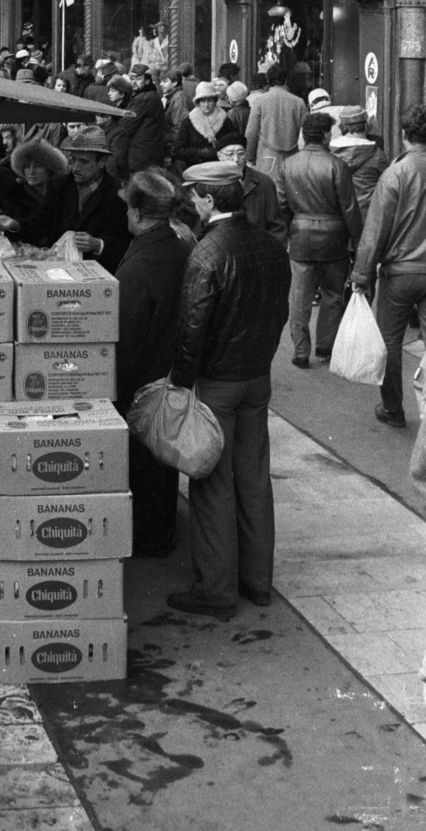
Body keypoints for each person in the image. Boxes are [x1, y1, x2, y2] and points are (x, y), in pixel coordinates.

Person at [166, 161, 292, 620]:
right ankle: (258, 582)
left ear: (207, 199)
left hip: (218, 382)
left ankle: (216, 590)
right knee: (254, 478)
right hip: (257, 377)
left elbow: (192, 327)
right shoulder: (270, 245)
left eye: (194, 197)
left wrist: (180, 383)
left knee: (212, 484)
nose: (191, 205)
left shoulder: (207, 253)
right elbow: (280, 312)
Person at [116, 169, 193, 556]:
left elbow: (127, 338)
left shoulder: (138, 266)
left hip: (143, 384)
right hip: (174, 377)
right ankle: (163, 533)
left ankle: (149, 539)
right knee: (164, 467)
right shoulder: (181, 248)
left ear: (136, 213)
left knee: (145, 466)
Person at [349, 103, 426, 428]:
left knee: (390, 340)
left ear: (405, 135)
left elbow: (376, 229)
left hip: (400, 272)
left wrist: (362, 274)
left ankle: (393, 408)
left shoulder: (396, 173)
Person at [277, 111, 362, 367]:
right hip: (334, 237)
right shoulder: (337, 165)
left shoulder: (288, 165)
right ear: (326, 135)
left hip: (300, 235)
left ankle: (300, 351)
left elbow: (282, 205)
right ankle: (325, 347)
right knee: (333, 294)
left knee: (299, 296)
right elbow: (349, 209)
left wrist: (289, 231)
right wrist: (358, 243)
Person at [0, 125, 132, 273]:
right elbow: (39, 223)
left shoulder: (119, 193)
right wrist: (15, 224)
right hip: (60, 272)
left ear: (102, 161)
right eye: (73, 160)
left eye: (84, 162)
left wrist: (99, 244)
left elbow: (127, 243)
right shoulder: (59, 186)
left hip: (100, 274)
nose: (76, 168)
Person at [216, 137, 286, 245]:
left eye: (241, 153)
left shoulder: (264, 182)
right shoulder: (213, 184)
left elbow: (276, 226)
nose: (236, 159)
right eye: (229, 154)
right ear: (219, 156)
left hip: (259, 248)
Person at [246, 66, 307, 179]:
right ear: (286, 80)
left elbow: (251, 132)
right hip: (292, 158)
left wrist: (250, 157)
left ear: (268, 82)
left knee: (268, 191)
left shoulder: (259, 101)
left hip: (266, 159)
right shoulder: (299, 102)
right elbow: (306, 134)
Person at [330, 105, 390, 219]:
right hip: (367, 217)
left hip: (338, 218)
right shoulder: (377, 155)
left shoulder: (330, 153)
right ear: (366, 125)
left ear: (341, 126)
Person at [115, 63, 168, 178]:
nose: (134, 82)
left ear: (148, 81)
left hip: (139, 159)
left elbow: (126, 125)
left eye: (138, 79)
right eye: (132, 79)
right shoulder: (151, 95)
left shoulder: (143, 98)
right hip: (148, 156)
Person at [172, 82, 239, 169]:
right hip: (196, 170)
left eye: (209, 100)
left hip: (220, 169)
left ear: (215, 101)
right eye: (203, 101)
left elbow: (234, 146)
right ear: (198, 103)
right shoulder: (188, 122)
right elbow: (178, 151)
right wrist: (200, 153)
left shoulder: (225, 121)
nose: (206, 105)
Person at [8, 137, 69, 208]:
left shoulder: (62, 193)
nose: (31, 172)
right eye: (27, 166)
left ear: (50, 168)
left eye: (38, 166)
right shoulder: (16, 195)